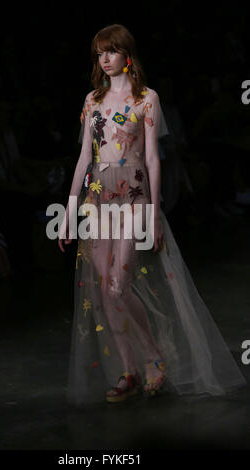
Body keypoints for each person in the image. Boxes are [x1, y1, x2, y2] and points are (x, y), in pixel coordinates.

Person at [58, 24, 246, 406]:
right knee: (104, 288)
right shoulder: (92, 100)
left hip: (134, 194)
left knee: (117, 286)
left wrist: (155, 213)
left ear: (127, 54)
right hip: (98, 195)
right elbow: (83, 158)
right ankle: (131, 370)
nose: (104, 59)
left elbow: (152, 159)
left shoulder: (148, 99)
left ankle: (153, 356)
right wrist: (68, 210)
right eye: (99, 53)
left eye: (110, 51)